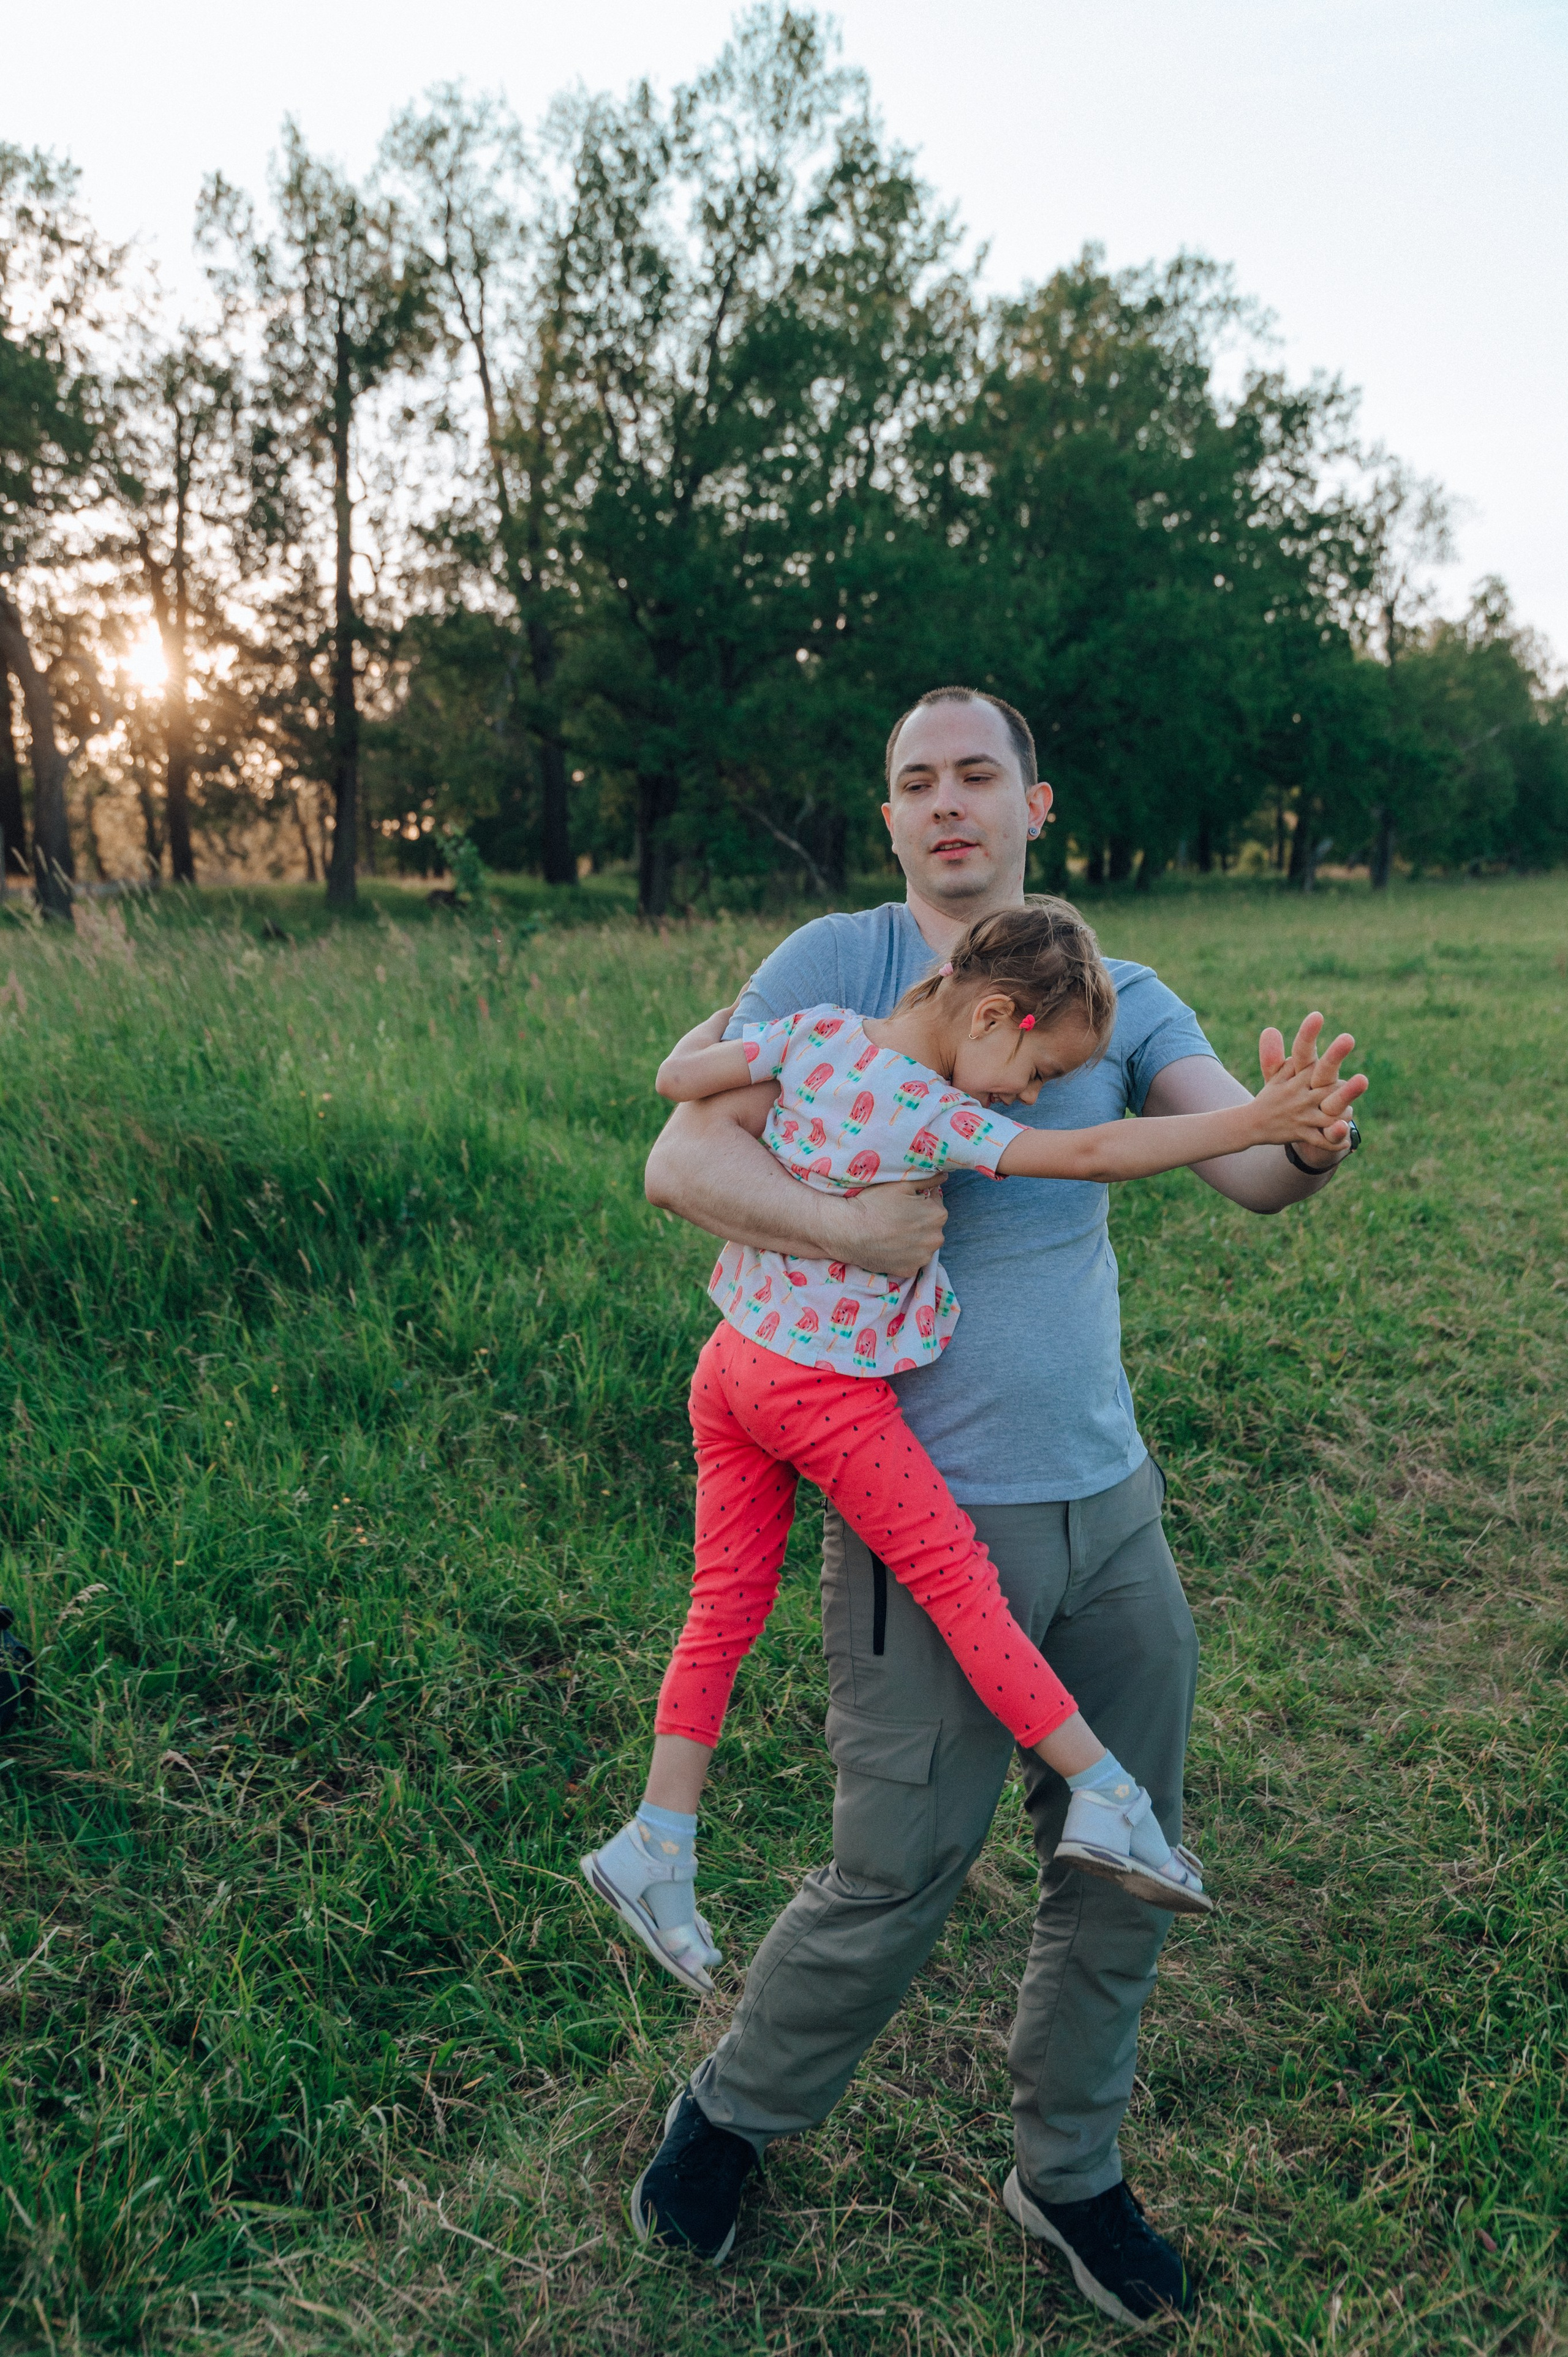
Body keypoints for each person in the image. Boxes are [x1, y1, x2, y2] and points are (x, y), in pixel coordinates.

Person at [628, 685, 1365, 2327]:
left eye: (978, 775)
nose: (947, 802)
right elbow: (683, 1166)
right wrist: (853, 1236)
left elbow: (1242, 1173)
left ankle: (1071, 2169)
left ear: (1039, 801)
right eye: (915, 782)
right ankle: (736, 2113)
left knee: (1128, 1855)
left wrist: (1308, 1137)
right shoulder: (832, 969)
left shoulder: (1127, 993)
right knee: (895, 1871)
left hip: (1107, 1502)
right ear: (888, 819)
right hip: (922, 1516)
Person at [582, 900, 1363, 1988]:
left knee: (724, 1602)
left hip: (733, 1366)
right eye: (1037, 1067)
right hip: (821, 1389)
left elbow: (682, 1082)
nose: (1030, 1092)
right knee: (961, 1584)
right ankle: (1107, 1791)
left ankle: (659, 1840)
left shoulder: (818, 1034)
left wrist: (699, 1033)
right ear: (995, 1013)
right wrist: (1247, 1121)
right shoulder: (927, 1108)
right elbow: (1090, 1149)